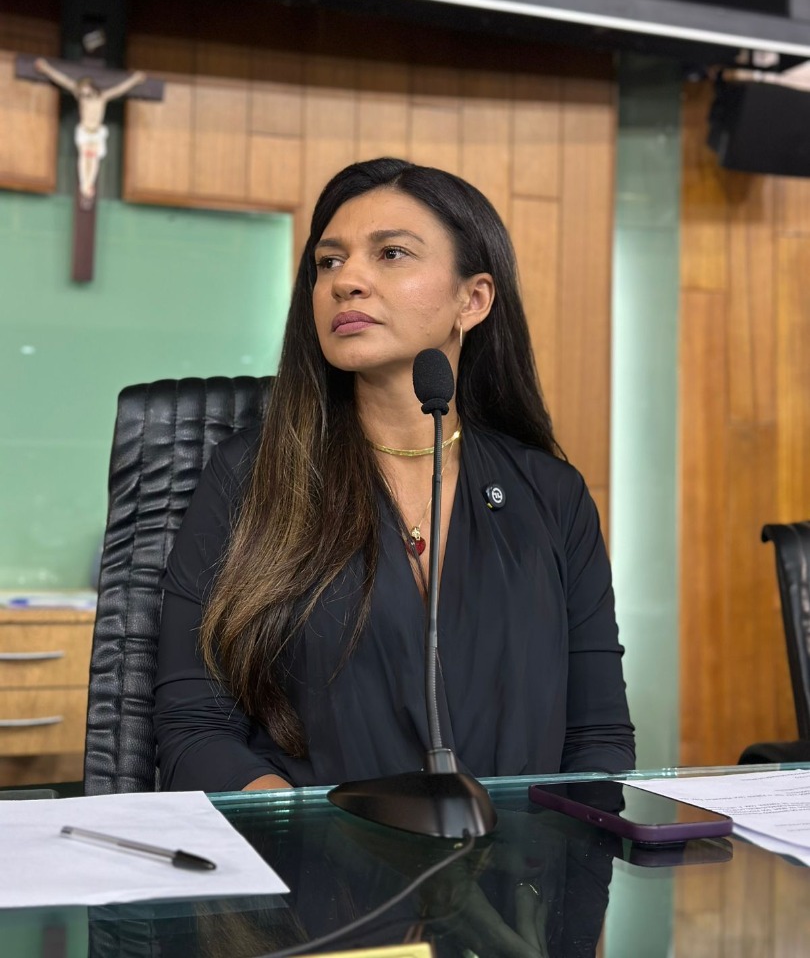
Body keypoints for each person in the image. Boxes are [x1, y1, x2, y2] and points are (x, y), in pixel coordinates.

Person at [154, 157, 635, 793]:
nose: (346, 281)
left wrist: (556, 842)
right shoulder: (250, 476)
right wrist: (299, 829)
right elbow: (194, 729)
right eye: (329, 262)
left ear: (472, 299)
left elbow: (598, 737)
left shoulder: (552, 494)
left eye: (392, 254)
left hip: (521, 854)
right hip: (314, 851)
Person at [33, 58, 146, 205]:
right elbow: (63, 80)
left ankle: (88, 184)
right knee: (84, 157)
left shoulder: (102, 97)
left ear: (90, 87)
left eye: (85, 90)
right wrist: (46, 69)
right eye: (81, 90)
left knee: (93, 159)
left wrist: (134, 80)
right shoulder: (81, 96)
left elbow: (119, 89)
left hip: (96, 132)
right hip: (85, 131)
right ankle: (85, 185)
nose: (83, 92)